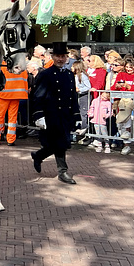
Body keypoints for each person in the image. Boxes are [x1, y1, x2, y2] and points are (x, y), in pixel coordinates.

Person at [30, 42, 81, 184]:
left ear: (66, 57)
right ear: (52, 57)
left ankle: (39, 156)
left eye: (63, 56)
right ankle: (62, 171)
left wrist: (76, 115)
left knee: (61, 143)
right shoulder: (45, 74)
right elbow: (38, 95)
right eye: (58, 56)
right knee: (59, 143)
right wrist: (39, 115)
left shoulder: (70, 75)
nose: (60, 59)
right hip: (50, 115)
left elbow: (73, 96)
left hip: (64, 115)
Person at [0, 62, 28, 146]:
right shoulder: (21, 64)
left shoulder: (3, 64)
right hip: (17, 94)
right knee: (13, 118)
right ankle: (11, 140)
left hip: (5, 94)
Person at [112, 58, 134, 155]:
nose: (128, 69)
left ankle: (127, 145)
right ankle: (125, 141)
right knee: (119, 123)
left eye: (131, 67)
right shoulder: (121, 74)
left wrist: (128, 87)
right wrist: (116, 86)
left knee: (126, 121)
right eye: (127, 67)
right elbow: (113, 88)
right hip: (119, 101)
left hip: (130, 102)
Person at [72, 60, 91, 137]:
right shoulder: (75, 76)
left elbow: (88, 87)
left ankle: (84, 127)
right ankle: (79, 127)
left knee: (84, 112)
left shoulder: (83, 76)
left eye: (73, 66)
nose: (71, 68)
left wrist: (79, 90)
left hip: (84, 96)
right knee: (78, 111)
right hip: (78, 96)